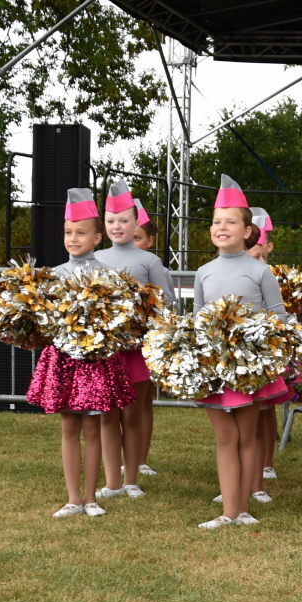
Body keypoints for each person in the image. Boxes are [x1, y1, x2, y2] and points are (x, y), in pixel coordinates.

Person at [25, 188, 135, 518]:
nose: (73, 239)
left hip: (96, 362)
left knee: (92, 428)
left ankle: (90, 498)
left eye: (81, 232)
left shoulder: (108, 276)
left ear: (97, 237)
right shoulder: (53, 276)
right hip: (63, 361)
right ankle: (73, 498)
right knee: (69, 427)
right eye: (68, 232)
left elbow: (121, 321)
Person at [194, 179, 290, 530]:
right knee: (225, 438)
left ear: (247, 231)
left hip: (249, 367)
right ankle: (228, 510)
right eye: (217, 222)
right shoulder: (203, 272)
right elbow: (198, 318)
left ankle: (243, 508)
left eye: (231, 222)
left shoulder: (260, 271)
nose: (222, 227)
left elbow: (278, 317)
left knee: (246, 436)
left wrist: (258, 344)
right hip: (215, 368)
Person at [94, 178, 177, 501]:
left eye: (124, 221)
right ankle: (111, 481)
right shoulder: (96, 258)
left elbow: (165, 304)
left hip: (136, 350)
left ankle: (131, 479)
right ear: (104, 224)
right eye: (111, 221)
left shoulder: (149, 262)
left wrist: (141, 311)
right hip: (104, 351)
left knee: (131, 414)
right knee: (107, 415)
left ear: (135, 223)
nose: (117, 226)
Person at [248, 206, 292, 504]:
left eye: (264, 256)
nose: (261, 263)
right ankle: (243, 478)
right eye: (256, 257)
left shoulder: (270, 277)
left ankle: (265, 466)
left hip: (267, 350)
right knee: (246, 416)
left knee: (265, 410)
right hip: (243, 352)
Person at [130, 198, 160, 479]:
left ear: (150, 241)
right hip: (114, 343)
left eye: (137, 238)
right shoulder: (105, 258)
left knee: (142, 403)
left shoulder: (152, 263)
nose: (132, 242)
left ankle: (140, 459)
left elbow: (164, 300)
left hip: (144, 341)